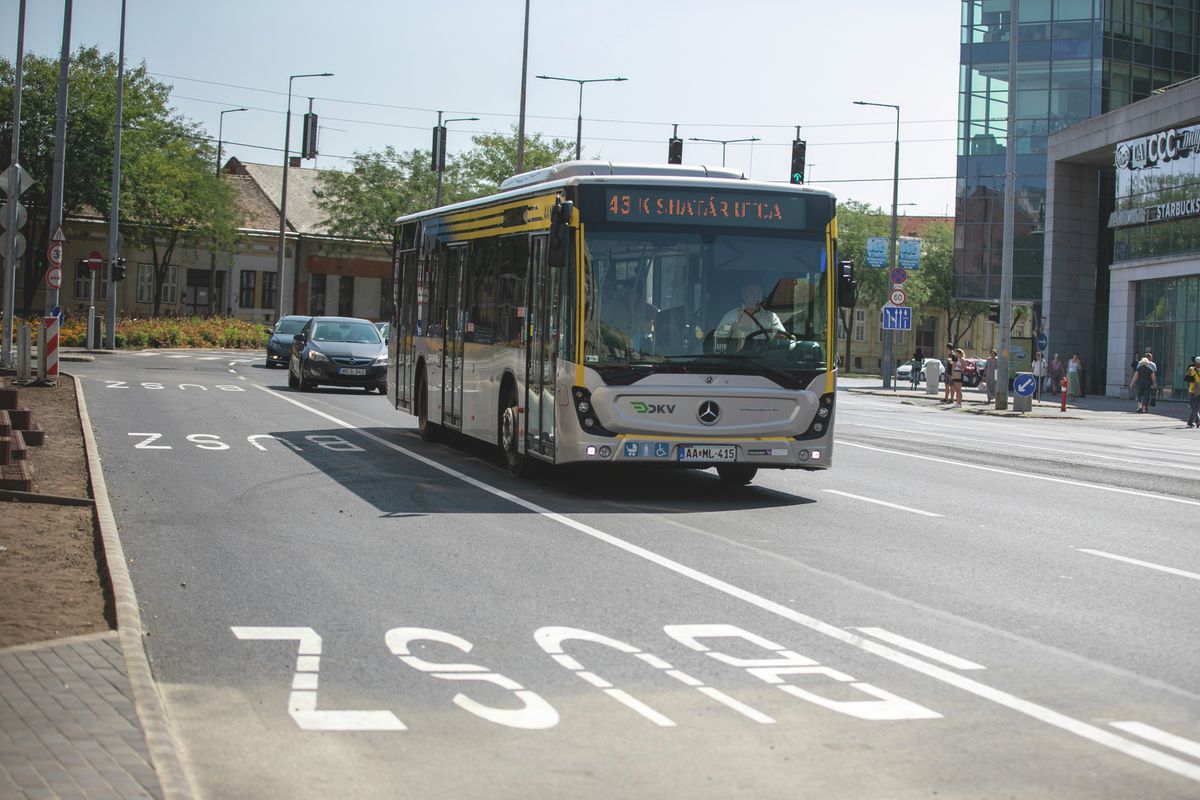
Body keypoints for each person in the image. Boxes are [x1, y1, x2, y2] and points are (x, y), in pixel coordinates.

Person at [714, 279, 788, 353]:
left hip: (764, 362)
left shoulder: (771, 317)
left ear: (762, 296)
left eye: (758, 293)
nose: (755, 297)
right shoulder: (732, 317)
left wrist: (783, 338)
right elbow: (719, 343)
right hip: (736, 362)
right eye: (751, 293)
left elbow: (783, 338)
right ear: (743, 294)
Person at [1186, 356, 1200, 428]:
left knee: (1195, 407)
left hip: (1196, 390)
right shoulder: (1191, 369)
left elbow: (1186, 378)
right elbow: (1186, 378)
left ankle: (1194, 421)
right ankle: (1194, 421)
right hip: (1195, 390)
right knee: (1195, 407)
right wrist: (1193, 379)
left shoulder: (1192, 369)